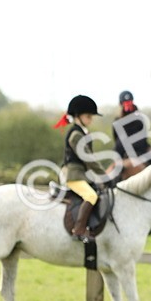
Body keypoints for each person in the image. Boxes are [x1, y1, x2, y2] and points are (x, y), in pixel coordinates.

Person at [53, 94, 103, 242]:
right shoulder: (75, 135)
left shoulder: (83, 133)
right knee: (91, 196)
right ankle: (79, 230)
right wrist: (105, 175)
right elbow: (88, 159)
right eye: (88, 116)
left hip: (81, 174)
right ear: (77, 116)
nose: (91, 119)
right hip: (73, 175)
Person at [111, 90, 151, 181]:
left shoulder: (138, 119)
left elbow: (116, 139)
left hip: (131, 152)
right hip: (132, 152)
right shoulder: (138, 118)